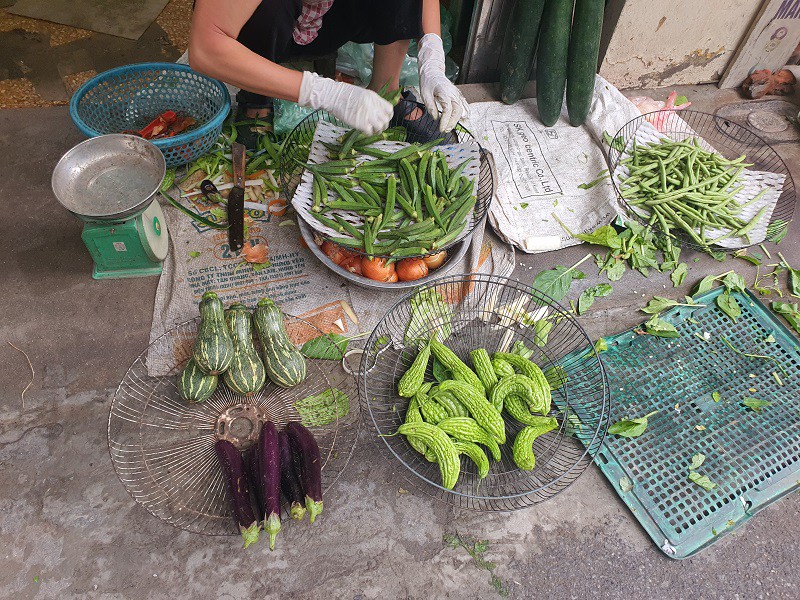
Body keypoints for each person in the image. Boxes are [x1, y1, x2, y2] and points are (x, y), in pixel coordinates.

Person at [188, 0, 468, 140]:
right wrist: (324, 92)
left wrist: (432, 60)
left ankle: (387, 94)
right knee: (268, 10)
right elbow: (206, 48)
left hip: (330, 19)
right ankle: (256, 102)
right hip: (269, 26)